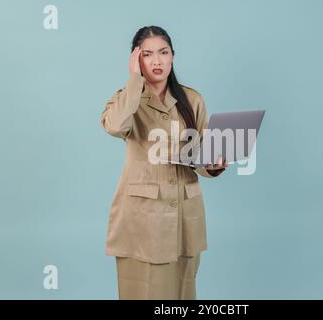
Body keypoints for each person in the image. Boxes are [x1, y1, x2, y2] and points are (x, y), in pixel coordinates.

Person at [100, 25, 228, 300]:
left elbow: (202, 154)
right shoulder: (127, 100)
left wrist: (215, 164)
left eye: (163, 52)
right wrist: (134, 80)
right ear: (136, 60)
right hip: (143, 219)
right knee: (144, 293)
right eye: (147, 55)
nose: (157, 61)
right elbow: (114, 125)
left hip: (185, 215)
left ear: (173, 56)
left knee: (183, 294)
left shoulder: (192, 100)